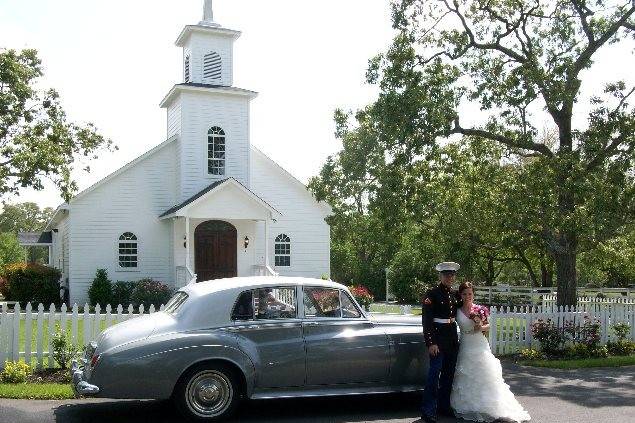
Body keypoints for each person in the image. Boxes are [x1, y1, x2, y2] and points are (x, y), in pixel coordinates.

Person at [450, 282, 531, 422]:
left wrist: (480, 327)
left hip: (479, 344)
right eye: (464, 294)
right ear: (460, 295)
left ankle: (489, 405)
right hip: (465, 345)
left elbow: (488, 326)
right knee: (466, 374)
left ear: (473, 294)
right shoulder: (456, 310)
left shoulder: (479, 309)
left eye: (470, 293)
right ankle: (469, 405)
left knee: (483, 374)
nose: (467, 296)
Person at [420, 261, 462, 423]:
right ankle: (428, 410)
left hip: (451, 339)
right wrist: (431, 343)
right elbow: (427, 321)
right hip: (438, 340)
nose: (449, 277)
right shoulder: (432, 294)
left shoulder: (453, 294)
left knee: (448, 376)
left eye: (451, 275)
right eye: (446, 275)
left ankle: (443, 407)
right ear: (441, 276)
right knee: (434, 375)